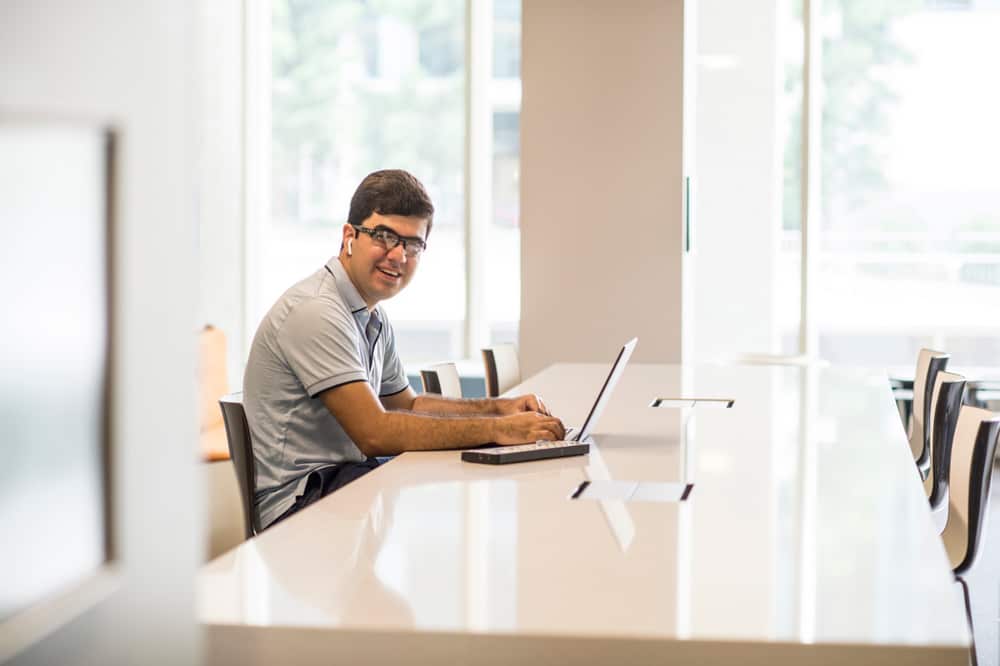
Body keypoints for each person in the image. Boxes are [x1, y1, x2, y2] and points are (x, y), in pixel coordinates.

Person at [244, 169, 565, 529]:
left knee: (464, 493)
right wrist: (497, 430)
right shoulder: (317, 310)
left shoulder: (371, 316)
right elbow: (376, 433)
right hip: (302, 506)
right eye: (384, 236)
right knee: (454, 507)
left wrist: (500, 409)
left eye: (413, 244)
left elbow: (410, 405)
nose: (399, 255)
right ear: (349, 236)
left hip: (348, 482)